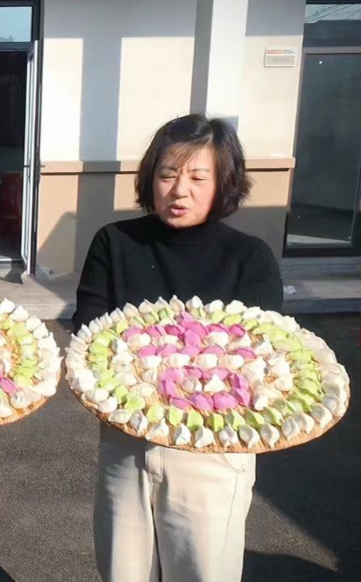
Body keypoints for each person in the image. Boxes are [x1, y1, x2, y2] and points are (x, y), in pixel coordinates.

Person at [72, 114, 283, 582]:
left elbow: (265, 363)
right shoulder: (116, 243)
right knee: (122, 573)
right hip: (126, 443)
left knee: (203, 574)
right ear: (150, 178)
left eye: (196, 176)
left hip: (213, 452)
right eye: (167, 174)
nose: (179, 189)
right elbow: (88, 337)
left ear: (223, 183)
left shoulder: (250, 259)